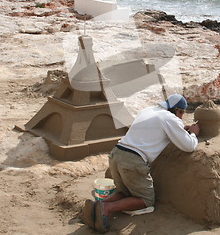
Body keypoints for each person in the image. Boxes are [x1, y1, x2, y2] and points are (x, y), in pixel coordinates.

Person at [83, 94, 199, 233]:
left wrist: (179, 129)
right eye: (182, 113)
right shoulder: (170, 119)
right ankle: (107, 209)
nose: (181, 117)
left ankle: (97, 206)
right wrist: (193, 133)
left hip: (116, 154)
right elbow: (189, 146)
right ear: (177, 110)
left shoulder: (148, 111)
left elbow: (155, 130)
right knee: (146, 201)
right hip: (132, 161)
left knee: (124, 192)